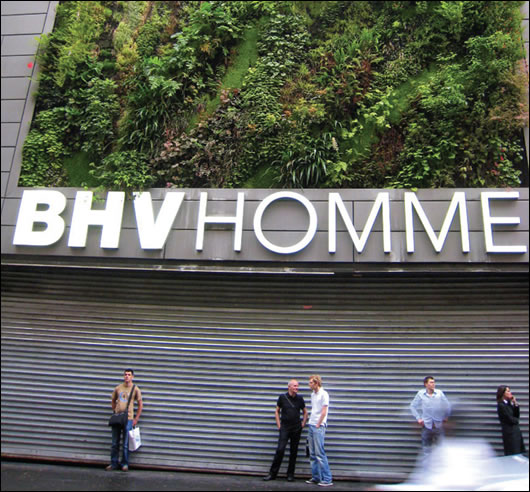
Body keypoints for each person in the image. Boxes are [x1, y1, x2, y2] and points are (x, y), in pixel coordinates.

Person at [263, 379, 308, 482]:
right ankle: (272, 474)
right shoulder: (282, 397)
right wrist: (279, 425)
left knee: (294, 451)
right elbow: (277, 411)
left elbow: (305, 412)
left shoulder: (300, 398)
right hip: (285, 428)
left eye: (297, 386)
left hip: (296, 428)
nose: (297, 388)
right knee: (280, 450)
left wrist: (302, 424)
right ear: (289, 387)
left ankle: (290, 474)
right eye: (295, 386)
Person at [106, 368, 143, 472]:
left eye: (129, 375)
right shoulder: (118, 388)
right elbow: (113, 400)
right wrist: (115, 410)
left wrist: (136, 418)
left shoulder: (135, 389)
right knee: (114, 442)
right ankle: (113, 463)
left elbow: (140, 404)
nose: (127, 376)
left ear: (132, 377)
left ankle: (125, 464)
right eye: (125, 374)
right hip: (118, 418)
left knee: (126, 443)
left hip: (128, 419)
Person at [410, 376, 451, 462]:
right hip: (426, 426)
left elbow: (447, 405)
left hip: (438, 426)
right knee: (426, 451)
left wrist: (446, 416)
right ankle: (427, 470)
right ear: (426, 384)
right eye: (431, 382)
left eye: (434, 382)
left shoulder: (439, 393)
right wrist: (418, 418)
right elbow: (413, 406)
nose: (433, 384)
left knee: (441, 450)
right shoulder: (420, 394)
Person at [306, 375, 333, 487]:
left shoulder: (324, 394)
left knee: (319, 453)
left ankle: (327, 479)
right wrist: (312, 423)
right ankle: (316, 477)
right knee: (312, 454)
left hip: (318, 426)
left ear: (316, 383)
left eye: (311, 382)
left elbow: (324, 411)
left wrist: (318, 424)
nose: (309, 384)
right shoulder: (313, 394)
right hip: (311, 425)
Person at [496, 385, 526, 456]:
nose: (510, 393)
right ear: (503, 393)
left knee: (519, 454)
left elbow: (516, 416)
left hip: (516, 433)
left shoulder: (509, 404)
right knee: (513, 454)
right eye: (508, 391)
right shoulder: (501, 405)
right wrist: (516, 420)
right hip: (510, 435)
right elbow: (511, 419)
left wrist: (515, 403)